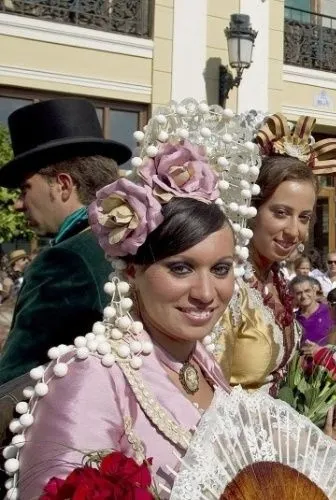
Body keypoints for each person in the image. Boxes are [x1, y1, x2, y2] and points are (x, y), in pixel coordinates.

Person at [6, 103, 241, 496]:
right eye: (181, 268)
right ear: (131, 270)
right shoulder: (87, 377)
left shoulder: (202, 359)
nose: (205, 293)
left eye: (221, 269)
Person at [0, 99, 127, 384]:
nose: (19, 205)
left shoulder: (67, 259)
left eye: (25, 189)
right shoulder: (124, 240)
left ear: (63, 185)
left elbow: (15, 376)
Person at [213, 113, 332, 390]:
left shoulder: (274, 276)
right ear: (251, 209)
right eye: (281, 213)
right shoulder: (229, 283)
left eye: (304, 217)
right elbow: (212, 392)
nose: (294, 231)